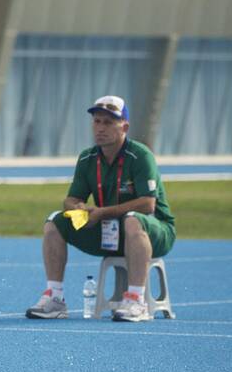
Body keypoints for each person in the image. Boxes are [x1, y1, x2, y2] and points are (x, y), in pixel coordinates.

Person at [26, 95, 175, 322]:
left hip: (156, 231)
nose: (100, 128)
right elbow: (70, 199)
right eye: (97, 121)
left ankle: (136, 300)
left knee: (133, 218)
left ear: (124, 127)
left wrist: (103, 212)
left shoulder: (140, 155)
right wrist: (80, 208)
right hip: (110, 231)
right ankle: (55, 298)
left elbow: (148, 204)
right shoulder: (87, 157)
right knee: (55, 220)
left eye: (108, 122)